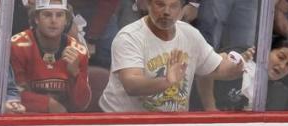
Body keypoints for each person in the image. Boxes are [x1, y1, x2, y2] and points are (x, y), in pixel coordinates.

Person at [99, 0, 244, 112]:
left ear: (182, 9)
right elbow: (132, 85)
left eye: (173, 6)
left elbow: (217, 68)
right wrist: (166, 82)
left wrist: (237, 65)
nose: (167, 12)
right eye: (160, 4)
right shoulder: (130, 36)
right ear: (148, 5)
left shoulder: (190, 34)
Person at [10, 0, 92, 113]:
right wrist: (49, 105)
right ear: (36, 18)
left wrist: (75, 74)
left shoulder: (79, 51)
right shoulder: (17, 46)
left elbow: (81, 104)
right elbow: (12, 94)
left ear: (66, 20)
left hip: (64, 124)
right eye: (47, 15)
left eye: (59, 15)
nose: (54, 20)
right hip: (27, 118)